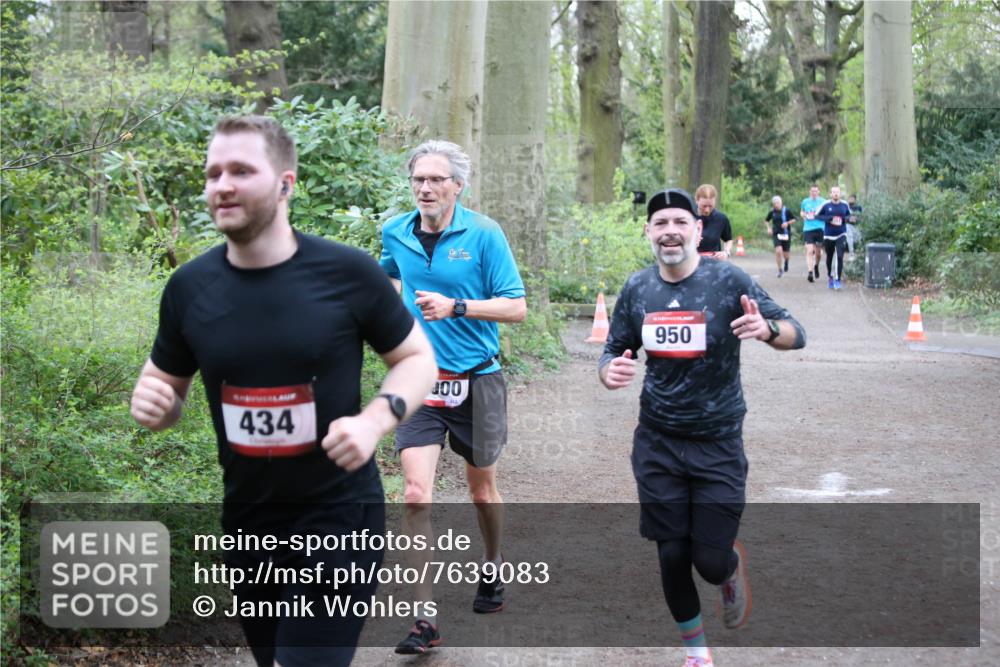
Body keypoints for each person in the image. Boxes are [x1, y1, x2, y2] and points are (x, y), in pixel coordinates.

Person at [129, 115, 437, 667]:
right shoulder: (189, 289)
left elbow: (416, 358)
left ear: (286, 183)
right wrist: (157, 403)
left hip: (338, 513)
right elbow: (165, 385)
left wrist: (374, 420)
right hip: (249, 523)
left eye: (241, 170)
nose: (221, 184)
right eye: (213, 172)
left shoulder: (346, 273)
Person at [598, 188, 806, 667]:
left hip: (717, 441)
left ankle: (730, 568)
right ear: (648, 232)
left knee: (708, 563)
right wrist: (608, 371)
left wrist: (768, 331)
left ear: (697, 229)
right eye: (660, 223)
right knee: (672, 555)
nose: (670, 230)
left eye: (679, 221)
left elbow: (796, 333)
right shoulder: (638, 289)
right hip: (658, 442)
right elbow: (614, 350)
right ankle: (697, 654)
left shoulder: (727, 280)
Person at [378, 140, 527, 654]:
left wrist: (457, 306)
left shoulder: (484, 234)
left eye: (436, 179)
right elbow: (387, 279)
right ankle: (424, 618)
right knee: (415, 493)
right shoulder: (395, 230)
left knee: (481, 491)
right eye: (419, 179)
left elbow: (517, 308)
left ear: (457, 186)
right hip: (418, 379)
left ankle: (492, 567)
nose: (425, 187)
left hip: (476, 379)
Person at [816, 185, 852, 290]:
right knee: (829, 257)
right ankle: (830, 276)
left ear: (840, 194)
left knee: (840, 256)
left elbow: (849, 216)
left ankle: (837, 280)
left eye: (837, 192)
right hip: (828, 235)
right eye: (834, 192)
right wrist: (828, 219)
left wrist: (846, 219)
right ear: (830, 194)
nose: (836, 194)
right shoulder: (826, 204)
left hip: (841, 234)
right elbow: (817, 215)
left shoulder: (845, 204)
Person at [694, 184, 733, 260]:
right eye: (704, 206)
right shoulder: (687, 217)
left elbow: (728, 239)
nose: (707, 210)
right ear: (697, 200)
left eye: (710, 206)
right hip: (690, 264)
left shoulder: (721, 218)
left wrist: (726, 252)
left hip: (714, 263)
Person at [763, 196, 796, 277]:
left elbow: (794, 219)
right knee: (778, 251)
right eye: (774, 203)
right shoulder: (772, 212)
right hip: (776, 233)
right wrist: (769, 228)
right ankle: (780, 270)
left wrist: (787, 223)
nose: (776, 205)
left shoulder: (786, 211)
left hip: (785, 234)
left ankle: (786, 262)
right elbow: (766, 220)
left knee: (786, 254)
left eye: (777, 203)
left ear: (781, 203)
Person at [800, 185, 826, 283]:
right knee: (809, 251)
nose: (814, 193)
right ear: (810, 192)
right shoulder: (805, 201)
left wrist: (818, 216)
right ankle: (810, 272)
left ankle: (816, 266)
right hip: (808, 229)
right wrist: (804, 215)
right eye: (812, 191)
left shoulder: (823, 202)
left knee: (818, 253)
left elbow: (827, 214)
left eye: (815, 191)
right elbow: (802, 212)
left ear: (818, 192)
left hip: (820, 229)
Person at [846, 193, 863, 259]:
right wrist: (848, 219)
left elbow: (861, 217)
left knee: (859, 239)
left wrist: (856, 219)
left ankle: (861, 255)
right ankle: (851, 254)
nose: (851, 200)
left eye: (852, 199)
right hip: (847, 226)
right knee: (849, 234)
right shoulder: (845, 206)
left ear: (855, 200)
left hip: (856, 226)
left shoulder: (858, 207)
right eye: (850, 198)